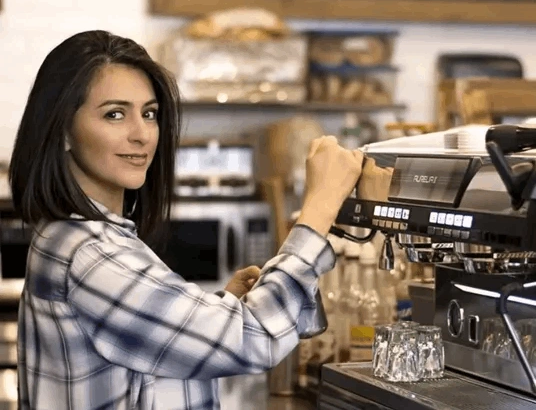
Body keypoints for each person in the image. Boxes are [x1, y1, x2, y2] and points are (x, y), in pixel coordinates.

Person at [9, 30, 364, 410]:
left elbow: (139, 361)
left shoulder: (76, 237)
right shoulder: (91, 255)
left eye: (149, 114)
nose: (142, 134)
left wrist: (221, 308)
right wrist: (319, 209)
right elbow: (254, 339)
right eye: (115, 114)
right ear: (63, 130)